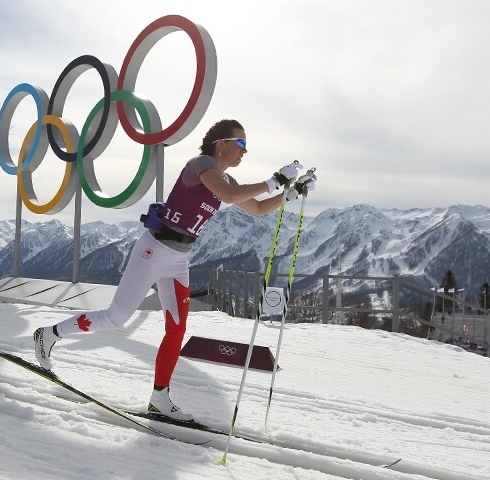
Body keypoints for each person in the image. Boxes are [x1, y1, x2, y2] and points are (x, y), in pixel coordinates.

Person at [33, 119, 313, 421]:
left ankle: (160, 397)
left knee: (177, 328)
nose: (244, 152)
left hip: (179, 258)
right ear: (222, 143)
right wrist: (275, 180)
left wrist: (290, 193)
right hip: (153, 250)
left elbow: (257, 209)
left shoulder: (228, 182)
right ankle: (49, 334)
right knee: (115, 318)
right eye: (241, 144)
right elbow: (231, 197)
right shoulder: (201, 165)